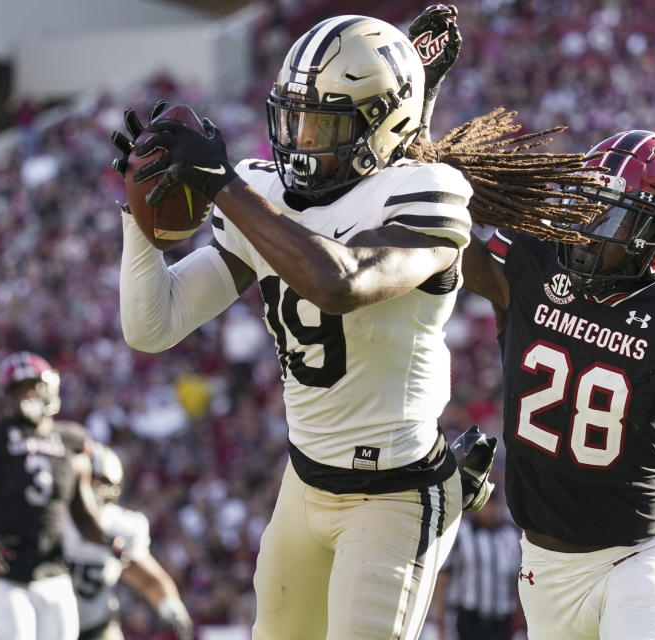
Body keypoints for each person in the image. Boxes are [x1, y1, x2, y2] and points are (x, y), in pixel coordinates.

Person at [114, 13, 472, 640]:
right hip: (303, 487)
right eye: (292, 119)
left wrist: (222, 184)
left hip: (394, 492)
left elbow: (343, 283)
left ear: (383, 123)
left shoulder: (430, 191)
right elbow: (155, 325)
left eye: (323, 125)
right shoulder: (264, 190)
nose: (300, 142)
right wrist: (141, 216)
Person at [459, 129, 655, 639]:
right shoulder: (534, 257)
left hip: (639, 556)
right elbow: (442, 240)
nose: (589, 228)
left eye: (612, 215)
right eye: (588, 206)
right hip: (543, 564)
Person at [0, 351, 119, 640]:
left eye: (33, 386)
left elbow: (82, 513)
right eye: (18, 390)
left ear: (49, 387)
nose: (27, 396)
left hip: (55, 574)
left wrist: (108, 541)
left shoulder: (72, 439)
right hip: (3, 577)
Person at [64, 443, 193, 640]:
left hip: (97, 627)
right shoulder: (52, 521)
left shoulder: (121, 527)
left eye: (98, 482)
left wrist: (172, 609)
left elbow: (148, 579)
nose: (92, 491)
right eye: (88, 482)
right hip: (49, 622)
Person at [431, 489, 522, 640]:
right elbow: (443, 578)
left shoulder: (511, 536)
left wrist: (521, 620)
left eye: (494, 504)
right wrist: (440, 621)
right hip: (469, 618)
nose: (491, 510)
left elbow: (517, 581)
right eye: (487, 505)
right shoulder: (463, 533)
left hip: (502, 620)